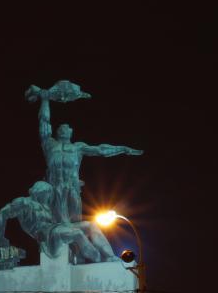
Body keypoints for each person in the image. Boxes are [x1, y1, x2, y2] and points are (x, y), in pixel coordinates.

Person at [26, 81, 143, 224]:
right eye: (61, 127)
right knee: (56, 225)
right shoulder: (50, 145)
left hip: (72, 187)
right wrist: (44, 100)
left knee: (75, 224)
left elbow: (101, 150)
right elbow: (44, 122)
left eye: (67, 127)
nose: (64, 128)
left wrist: (123, 149)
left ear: (71, 132)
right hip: (54, 189)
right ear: (57, 132)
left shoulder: (78, 148)